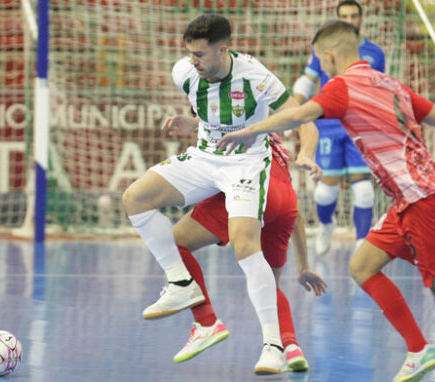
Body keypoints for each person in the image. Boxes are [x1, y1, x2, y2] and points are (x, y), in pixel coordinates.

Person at [217, 21, 435, 382]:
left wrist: (246, 131)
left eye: (320, 60)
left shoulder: (341, 88)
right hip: (410, 199)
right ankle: (419, 350)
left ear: (329, 55)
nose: (322, 69)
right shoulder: (390, 83)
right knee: (362, 264)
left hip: (424, 200)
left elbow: (297, 115)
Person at [121, 14, 319, 375]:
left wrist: (305, 153)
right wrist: (196, 123)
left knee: (246, 244)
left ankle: (275, 345)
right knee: (134, 197)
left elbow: (302, 117)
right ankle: (182, 285)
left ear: (223, 49)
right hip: (204, 157)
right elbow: (216, 110)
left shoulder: (255, 76)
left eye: (200, 54)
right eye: (190, 54)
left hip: (245, 163)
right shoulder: (184, 72)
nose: (193, 62)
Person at [163, 133, 326, 372]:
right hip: (285, 203)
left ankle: (205, 320)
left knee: (174, 243)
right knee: (269, 284)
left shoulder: (218, 129)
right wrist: (304, 265)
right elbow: (296, 211)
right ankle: (291, 347)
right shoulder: (272, 139)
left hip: (247, 190)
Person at [292, 0, 385, 256]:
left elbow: (379, 88)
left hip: (360, 125)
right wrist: (295, 104)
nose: (349, 20)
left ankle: (361, 243)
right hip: (329, 124)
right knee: (324, 191)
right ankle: (325, 225)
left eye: (354, 16)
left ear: (361, 19)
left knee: (364, 188)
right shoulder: (322, 50)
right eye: (344, 16)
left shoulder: (375, 53)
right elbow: (308, 78)